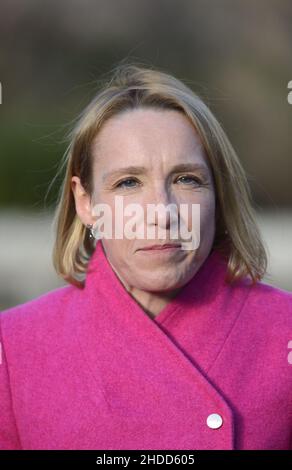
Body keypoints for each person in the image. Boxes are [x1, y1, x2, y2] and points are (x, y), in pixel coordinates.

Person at [0, 63, 291, 450]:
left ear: (218, 196)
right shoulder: (14, 347)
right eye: (129, 183)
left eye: (187, 179)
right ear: (86, 202)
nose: (161, 212)